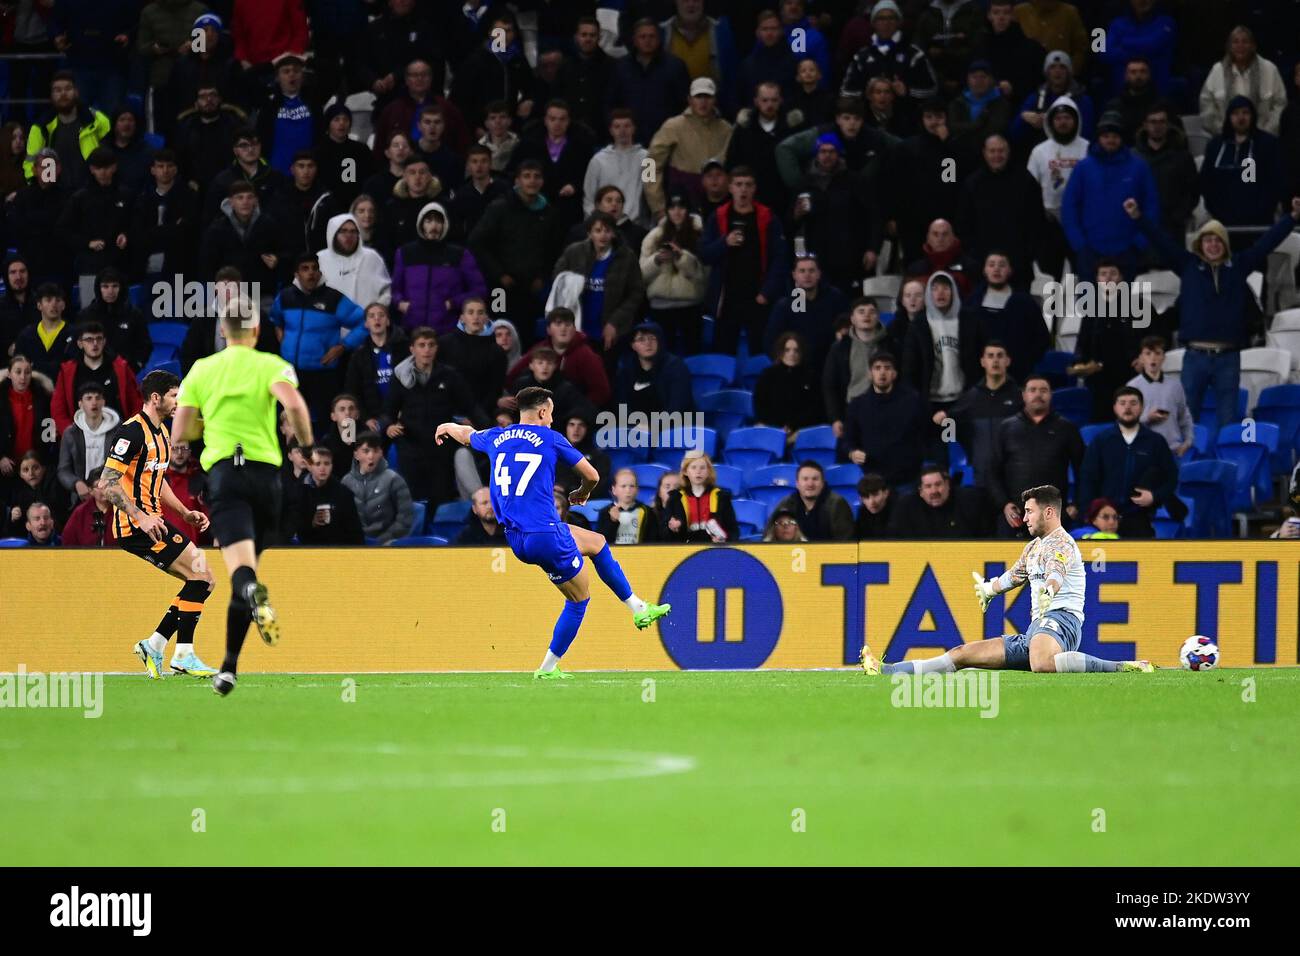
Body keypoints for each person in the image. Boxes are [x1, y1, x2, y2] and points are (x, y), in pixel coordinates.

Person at [435, 386, 671, 679]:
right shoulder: (550, 438)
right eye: (551, 414)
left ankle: (637, 606)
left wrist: (446, 425)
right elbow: (593, 475)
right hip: (545, 535)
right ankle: (547, 669)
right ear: (544, 411)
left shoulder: (497, 436)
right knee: (579, 599)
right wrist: (582, 492)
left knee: (596, 542)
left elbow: (465, 434)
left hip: (517, 537)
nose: (551, 420)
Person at [170, 295, 316, 697]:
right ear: (255, 330)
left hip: (226, 479)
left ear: (222, 329)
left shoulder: (202, 369)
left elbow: (180, 431)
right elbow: (295, 405)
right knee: (247, 571)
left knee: (241, 573)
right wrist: (305, 444)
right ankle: (229, 669)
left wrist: (211, 423)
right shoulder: (270, 364)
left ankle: (250, 596)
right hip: (268, 480)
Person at [862, 484, 1154, 675]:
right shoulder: (1033, 546)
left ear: (1049, 512)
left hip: (1061, 621)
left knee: (1041, 663)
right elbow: (1014, 577)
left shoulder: (1062, 543)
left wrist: (1050, 591)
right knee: (963, 654)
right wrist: (989, 589)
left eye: (1029, 511)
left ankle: (1122, 667)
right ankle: (885, 670)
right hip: (1036, 630)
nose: (1024, 517)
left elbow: (1057, 571)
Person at [1125, 196, 1300, 431]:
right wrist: (1138, 217)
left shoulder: (1238, 266)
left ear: (1225, 244)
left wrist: (1292, 218)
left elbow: (1266, 243)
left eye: (1218, 241)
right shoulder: (1187, 266)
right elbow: (1161, 241)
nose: (1213, 245)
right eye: (1208, 240)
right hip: (1195, 357)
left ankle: (1225, 466)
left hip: (1228, 358)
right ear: (1200, 245)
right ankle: (1189, 467)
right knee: (1188, 420)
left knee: (1228, 420)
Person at [95, 369, 218, 680]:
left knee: (202, 579)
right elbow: (107, 484)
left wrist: (185, 512)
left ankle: (155, 645)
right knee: (201, 575)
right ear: (155, 398)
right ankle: (183, 654)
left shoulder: (163, 433)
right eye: (175, 395)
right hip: (134, 527)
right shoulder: (130, 433)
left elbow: (158, 481)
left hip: (155, 523)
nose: (180, 401)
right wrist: (140, 516)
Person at [381, 326, 483, 505]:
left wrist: (489, 429)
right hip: (410, 448)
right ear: (412, 349)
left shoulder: (449, 375)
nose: (426, 350)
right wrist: (389, 426)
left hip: (441, 448)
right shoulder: (400, 377)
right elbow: (388, 412)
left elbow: (470, 406)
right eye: (421, 345)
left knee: (442, 499)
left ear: (437, 348)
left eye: (431, 345)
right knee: (412, 502)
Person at [698, 166, 788, 356]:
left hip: (758, 297)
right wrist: (725, 242)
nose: (743, 190)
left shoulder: (768, 217)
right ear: (730, 187)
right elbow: (704, 254)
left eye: (748, 185)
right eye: (739, 184)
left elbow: (780, 259)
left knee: (761, 353)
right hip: (727, 298)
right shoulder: (718, 216)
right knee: (723, 353)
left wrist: (767, 293)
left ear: (755, 188)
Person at [269, 253, 368, 422]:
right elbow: (274, 318)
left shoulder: (334, 299)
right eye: (305, 269)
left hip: (323, 374)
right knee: (289, 421)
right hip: (291, 373)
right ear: (296, 274)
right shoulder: (285, 297)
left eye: (315, 268)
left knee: (324, 422)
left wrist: (343, 346)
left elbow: (364, 322)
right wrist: (280, 334)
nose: (311, 273)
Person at [1060, 111, 1159, 279]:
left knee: (1125, 305)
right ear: (1099, 137)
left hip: (1127, 252)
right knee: (1089, 305)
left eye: (1115, 135)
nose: (1111, 140)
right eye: (1106, 135)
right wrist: (1079, 244)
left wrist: (1139, 243)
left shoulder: (1139, 167)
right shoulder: (1083, 168)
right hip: (1089, 252)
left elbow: (1152, 207)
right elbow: (1069, 208)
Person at [987, 374, 1084, 537]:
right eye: (1032, 390)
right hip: (1015, 515)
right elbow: (992, 471)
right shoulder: (1007, 428)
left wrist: (1075, 505)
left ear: (1050, 395)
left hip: (1054, 516)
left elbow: (1083, 470)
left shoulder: (1067, 428)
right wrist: (1004, 504)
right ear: (1023, 395)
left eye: (1043, 390)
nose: (1038, 394)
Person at [1077, 386, 1180, 539]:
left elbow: (1171, 478)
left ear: (1142, 407)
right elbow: (1087, 479)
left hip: (1139, 518)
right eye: (1122, 403)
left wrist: (1154, 496)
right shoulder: (1102, 441)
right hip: (1105, 519)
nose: (1128, 407)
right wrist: (1089, 514)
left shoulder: (1155, 442)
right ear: (1114, 408)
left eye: (1133, 403)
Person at [552, 211, 646, 352]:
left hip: (612, 330)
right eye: (598, 231)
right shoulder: (574, 252)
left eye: (607, 231)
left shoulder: (627, 256)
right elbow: (557, 278)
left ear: (614, 233)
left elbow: (636, 292)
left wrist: (614, 323)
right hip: (578, 327)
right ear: (589, 233)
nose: (602, 235)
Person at [392, 202, 487, 335]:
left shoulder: (460, 255)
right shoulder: (405, 253)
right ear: (421, 225)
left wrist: (453, 303)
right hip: (412, 330)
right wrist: (400, 303)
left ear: (444, 225)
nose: (434, 226)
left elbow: (479, 291)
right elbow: (394, 290)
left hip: (447, 331)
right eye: (429, 221)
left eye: (438, 221)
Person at [843, 351, 927, 488]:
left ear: (894, 374)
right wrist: (852, 452)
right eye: (877, 368)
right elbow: (847, 439)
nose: (882, 372)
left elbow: (925, 431)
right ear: (870, 374)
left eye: (887, 368)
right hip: (873, 479)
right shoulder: (857, 405)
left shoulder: (912, 401)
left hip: (907, 477)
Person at [1025, 94, 1087, 278]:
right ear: (1051, 121)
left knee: (1081, 272)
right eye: (1058, 118)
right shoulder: (1039, 151)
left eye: (1067, 118)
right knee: (1050, 275)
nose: (1063, 122)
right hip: (1049, 222)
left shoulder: (1088, 148)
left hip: (1079, 221)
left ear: (1076, 120)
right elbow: (1029, 188)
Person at [963, 251, 1048, 384]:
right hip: (979, 380)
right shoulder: (971, 304)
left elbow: (1042, 339)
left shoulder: (1025, 302)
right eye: (991, 265)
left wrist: (1025, 362)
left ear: (1009, 270)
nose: (996, 269)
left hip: (1019, 377)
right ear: (985, 270)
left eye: (1002, 265)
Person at [639, 192, 707, 356]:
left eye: (681, 207)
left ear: (688, 210)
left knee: (693, 355)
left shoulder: (701, 235)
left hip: (690, 306)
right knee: (662, 356)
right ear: (667, 211)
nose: (677, 212)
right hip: (660, 307)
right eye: (672, 207)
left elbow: (702, 275)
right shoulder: (653, 237)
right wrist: (656, 260)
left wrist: (680, 256)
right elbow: (640, 275)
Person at [949, 340, 1024, 487]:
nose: (995, 360)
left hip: (1013, 476)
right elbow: (949, 432)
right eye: (990, 356)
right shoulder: (970, 398)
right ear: (983, 362)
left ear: (1007, 361)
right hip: (981, 476)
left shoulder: (1020, 397)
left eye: (999, 356)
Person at [507, 308, 610, 409]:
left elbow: (602, 392)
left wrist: (578, 411)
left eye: (568, 324)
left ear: (574, 329)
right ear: (548, 329)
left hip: (573, 413)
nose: (563, 329)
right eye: (558, 324)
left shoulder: (587, 355)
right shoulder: (539, 350)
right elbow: (512, 378)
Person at [50, 320, 142, 434]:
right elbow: (58, 409)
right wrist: (71, 435)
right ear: (80, 343)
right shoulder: (67, 372)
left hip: (117, 436)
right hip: (79, 437)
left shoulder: (121, 368)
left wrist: (128, 433)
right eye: (89, 339)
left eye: (99, 339)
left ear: (104, 341)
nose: (95, 344)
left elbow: (137, 403)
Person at [1199, 26, 1288, 137]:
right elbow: (1206, 104)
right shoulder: (1218, 70)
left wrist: (1265, 134)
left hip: (1263, 139)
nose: (1240, 46)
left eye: (1245, 42)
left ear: (1253, 46)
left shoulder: (1269, 69)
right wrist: (1222, 131)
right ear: (1229, 47)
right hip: (1225, 138)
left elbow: (1280, 105)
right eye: (1235, 42)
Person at [823, 298, 887, 439]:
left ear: (878, 317)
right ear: (852, 318)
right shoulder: (840, 348)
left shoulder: (891, 344)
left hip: (885, 411)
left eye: (872, 312)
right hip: (851, 413)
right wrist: (835, 418)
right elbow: (830, 385)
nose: (867, 315)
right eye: (861, 312)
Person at [73, 267, 152, 373]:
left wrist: (136, 365)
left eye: (115, 286)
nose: (110, 291)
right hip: (91, 373)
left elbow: (144, 345)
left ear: (121, 288)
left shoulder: (134, 314)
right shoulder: (86, 315)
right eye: (105, 286)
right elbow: (76, 345)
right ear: (98, 288)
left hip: (125, 372)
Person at [342, 431, 414, 545]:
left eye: (375, 451)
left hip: (387, 542)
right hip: (355, 542)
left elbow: (405, 520)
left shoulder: (394, 479)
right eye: (366, 451)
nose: (371, 456)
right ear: (356, 454)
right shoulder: (346, 482)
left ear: (381, 453)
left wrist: (384, 540)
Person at [754, 331, 825, 446]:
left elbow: (815, 409)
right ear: (781, 352)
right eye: (787, 350)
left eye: (796, 350)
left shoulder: (811, 377)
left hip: (801, 430)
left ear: (802, 353)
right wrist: (777, 427)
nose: (792, 354)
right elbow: (760, 406)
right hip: (772, 428)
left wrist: (792, 426)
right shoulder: (767, 375)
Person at [56, 382, 120, 509]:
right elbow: (63, 469)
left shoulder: (118, 431)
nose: (94, 402)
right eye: (89, 398)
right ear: (80, 404)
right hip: (82, 496)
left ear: (103, 402)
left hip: (112, 492)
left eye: (98, 398)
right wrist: (76, 483)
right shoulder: (71, 433)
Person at [1127, 335, 1193, 457]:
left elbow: (1185, 417)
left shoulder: (1175, 385)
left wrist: (1187, 442)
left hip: (1172, 450)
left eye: (1157, 353)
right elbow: (1127, 423)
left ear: (1163, 357)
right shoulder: (1132, 387)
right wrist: (1147, 418)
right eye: (1148, 353)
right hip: (1143, 451)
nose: (1153, 358)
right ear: (1141, 358)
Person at [612, 321, 694, 418]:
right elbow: (621, 403)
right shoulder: (627, 368)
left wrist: (653, 426)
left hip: (672, 426)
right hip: (636, 426)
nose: (648, 343)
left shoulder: (676, 367)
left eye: (652, 338)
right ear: (633, 345)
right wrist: (636, 424)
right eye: (641, 339)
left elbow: (677, 407)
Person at [888, 464, 994, 538]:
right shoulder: (906, 508)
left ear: (947, 485)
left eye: (938, 484)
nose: (934, 491)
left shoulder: (969, 502)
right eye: (928, 486)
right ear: (921, 491)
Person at [584, 109, 650, 227]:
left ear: (633, 128)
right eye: (617, 126)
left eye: (627, 126)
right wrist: (594, 223)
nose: (622, 131)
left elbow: (651, 191)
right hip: (604, 225)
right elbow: (589, 196)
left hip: (636, 225)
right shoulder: (598, 160)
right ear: (611, 130)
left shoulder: (647, 158)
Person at [664, 449, 739, 544]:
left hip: (715, 550)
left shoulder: (721, 497)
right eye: (693, 467)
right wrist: (672, 528)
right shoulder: (675, 498)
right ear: (685, 472)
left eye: (702, 468)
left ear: (708, 472)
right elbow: (664, 534)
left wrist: (724, 539)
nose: (698, 472)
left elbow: (733, 530)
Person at [773, 461, 854, 541]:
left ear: (822, 483)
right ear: (797, 484)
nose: (810, 484)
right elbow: (770, 536)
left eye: (815, 479)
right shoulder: (786, 504)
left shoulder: (837, 504)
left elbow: (845, 542)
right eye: (805, 479)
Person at [0, 354, 56, 471]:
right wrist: (1, 457)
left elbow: (49, 433)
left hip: (36, 466)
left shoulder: (43, 399)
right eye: (18, 372)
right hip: (8, 465)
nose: (23, 377)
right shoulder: (2, 400)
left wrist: (46, 460)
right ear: (9, 374)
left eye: (27, 372)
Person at [12, 284, 77, 381]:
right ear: (39, 305)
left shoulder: (75, 334)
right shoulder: (26, 335)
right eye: (48, 300)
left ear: (63, 305)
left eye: (58, 300)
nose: (54, 304)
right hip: (33, 390)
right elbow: (17, 366)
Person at [596, 469, 659, 545]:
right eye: (623, 486)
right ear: (614, 490)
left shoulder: (648, 512)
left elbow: (653, 541)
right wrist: (612, 522)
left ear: (637, 489)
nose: (628, 490)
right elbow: (601, 542)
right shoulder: (605, 512)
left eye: (632, 486)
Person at [61, 465, 116, 546]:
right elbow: (68, 540)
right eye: (99, 486)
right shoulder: (80, 513)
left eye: (107, 484)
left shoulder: (122, 509)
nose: (105, 489)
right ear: (90, 490)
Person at [854, 473, 896, 539]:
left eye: (875, 495)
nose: (872, 501)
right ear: (861, 499)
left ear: (886, 493)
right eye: (866, 497)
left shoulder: (898, 511)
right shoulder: (862, 512)